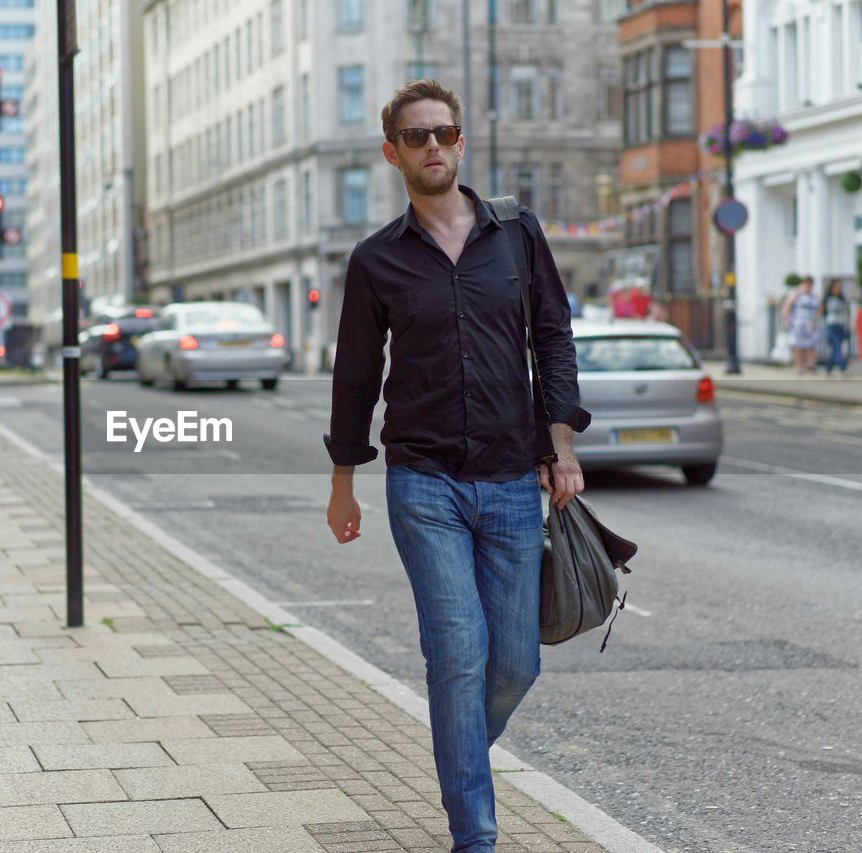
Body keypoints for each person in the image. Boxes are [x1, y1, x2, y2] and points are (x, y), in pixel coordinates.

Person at [324, 80, 589, 853]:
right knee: (458, 651)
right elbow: (355, 376)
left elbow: (554, 336)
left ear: (461, 141)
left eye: (444, 132)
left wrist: (561, 442)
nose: (433, 145)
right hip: (423, 478)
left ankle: (460, 751)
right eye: (416, 136)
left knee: (514, 661)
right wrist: (344, 478)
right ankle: (475, 834)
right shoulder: (376, 260)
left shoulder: (516, 234)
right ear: (392, 154)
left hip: (512, 475)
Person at [782, 275, 820, 374]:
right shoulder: (796, 294)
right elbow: (786, 307)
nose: (808, 286)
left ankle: (810, 365)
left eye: (810, 284)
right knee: (798, 346)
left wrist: (815, 322)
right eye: (807, 284)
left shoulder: (814, 296)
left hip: (810, 324)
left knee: (811, 346)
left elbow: (818, 310)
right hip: (797, 324)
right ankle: (798, 366)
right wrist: (786, 321)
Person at [820, 280, 850, 375]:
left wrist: (849, 324)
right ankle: (842, 368)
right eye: (836, 286)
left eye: (839, 286)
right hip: (831, 325)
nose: (838, 288)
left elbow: (846, 312)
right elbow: (821, 310)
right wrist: (813, 323)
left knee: (836, 348)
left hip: (840, 325)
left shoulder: (842, 299)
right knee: (837, 346)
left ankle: (828, 368)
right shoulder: (827, 298)